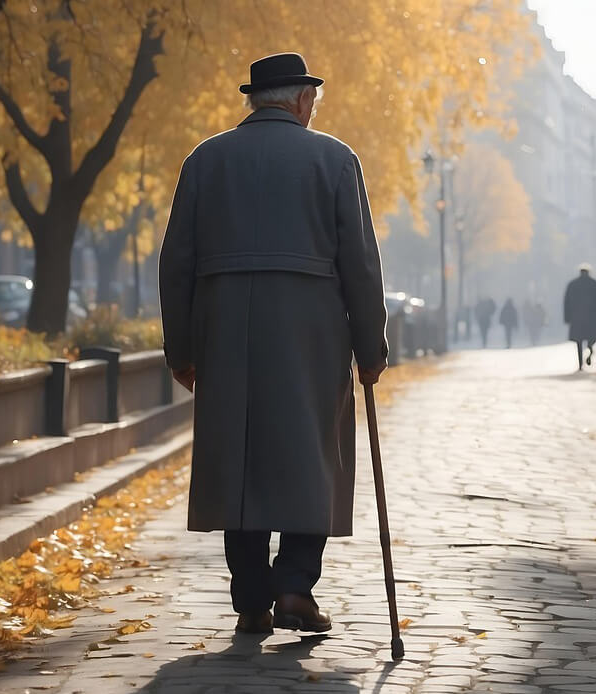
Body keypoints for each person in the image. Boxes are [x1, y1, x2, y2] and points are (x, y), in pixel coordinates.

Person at [158, 53, 387, 636]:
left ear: (257, 101)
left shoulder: (204, 160)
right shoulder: (335, 159)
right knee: (313, 458)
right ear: (303, 100)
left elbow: (176, 264)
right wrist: (370, 344)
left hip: (225, 328)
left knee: (241, 461)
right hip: (312, 330)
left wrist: (180, 348)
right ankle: (294, 587)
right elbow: (360, 264)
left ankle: (252, 598)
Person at [564, 265, 596, 371]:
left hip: (577, 318)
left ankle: (580, 363)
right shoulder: (595, 284)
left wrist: (567, 318)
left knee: (578, 342)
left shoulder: (572, 285)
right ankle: (590, 349)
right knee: (592, 337)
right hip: (591, 318)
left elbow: (567, 303)